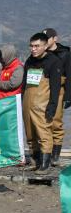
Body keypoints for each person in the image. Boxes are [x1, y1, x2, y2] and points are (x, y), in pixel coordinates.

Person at [20, 32, 62, 173]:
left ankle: (45, 164)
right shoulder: (29, 61)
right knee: (30, 134)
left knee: (44, 134)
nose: (33, 49)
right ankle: (35, 161)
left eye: (37, 46)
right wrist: (22, 100)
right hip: (28, 102)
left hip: (42, 104)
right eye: (31, 46)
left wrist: (52, 107)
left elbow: (56, 88)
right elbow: (24, 83)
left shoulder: (53, 61)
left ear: (45, 46)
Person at [43, 27, 71, 164]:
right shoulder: (41, 54)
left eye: (47, 38)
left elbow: (69, 76)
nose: (44, 41)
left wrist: (68, 97)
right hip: (43, 91)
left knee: (56, 122)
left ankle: (55, 156)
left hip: (59, 91)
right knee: (43, 121)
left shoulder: (65, 54)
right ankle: (45, 152)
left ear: (55, 39)